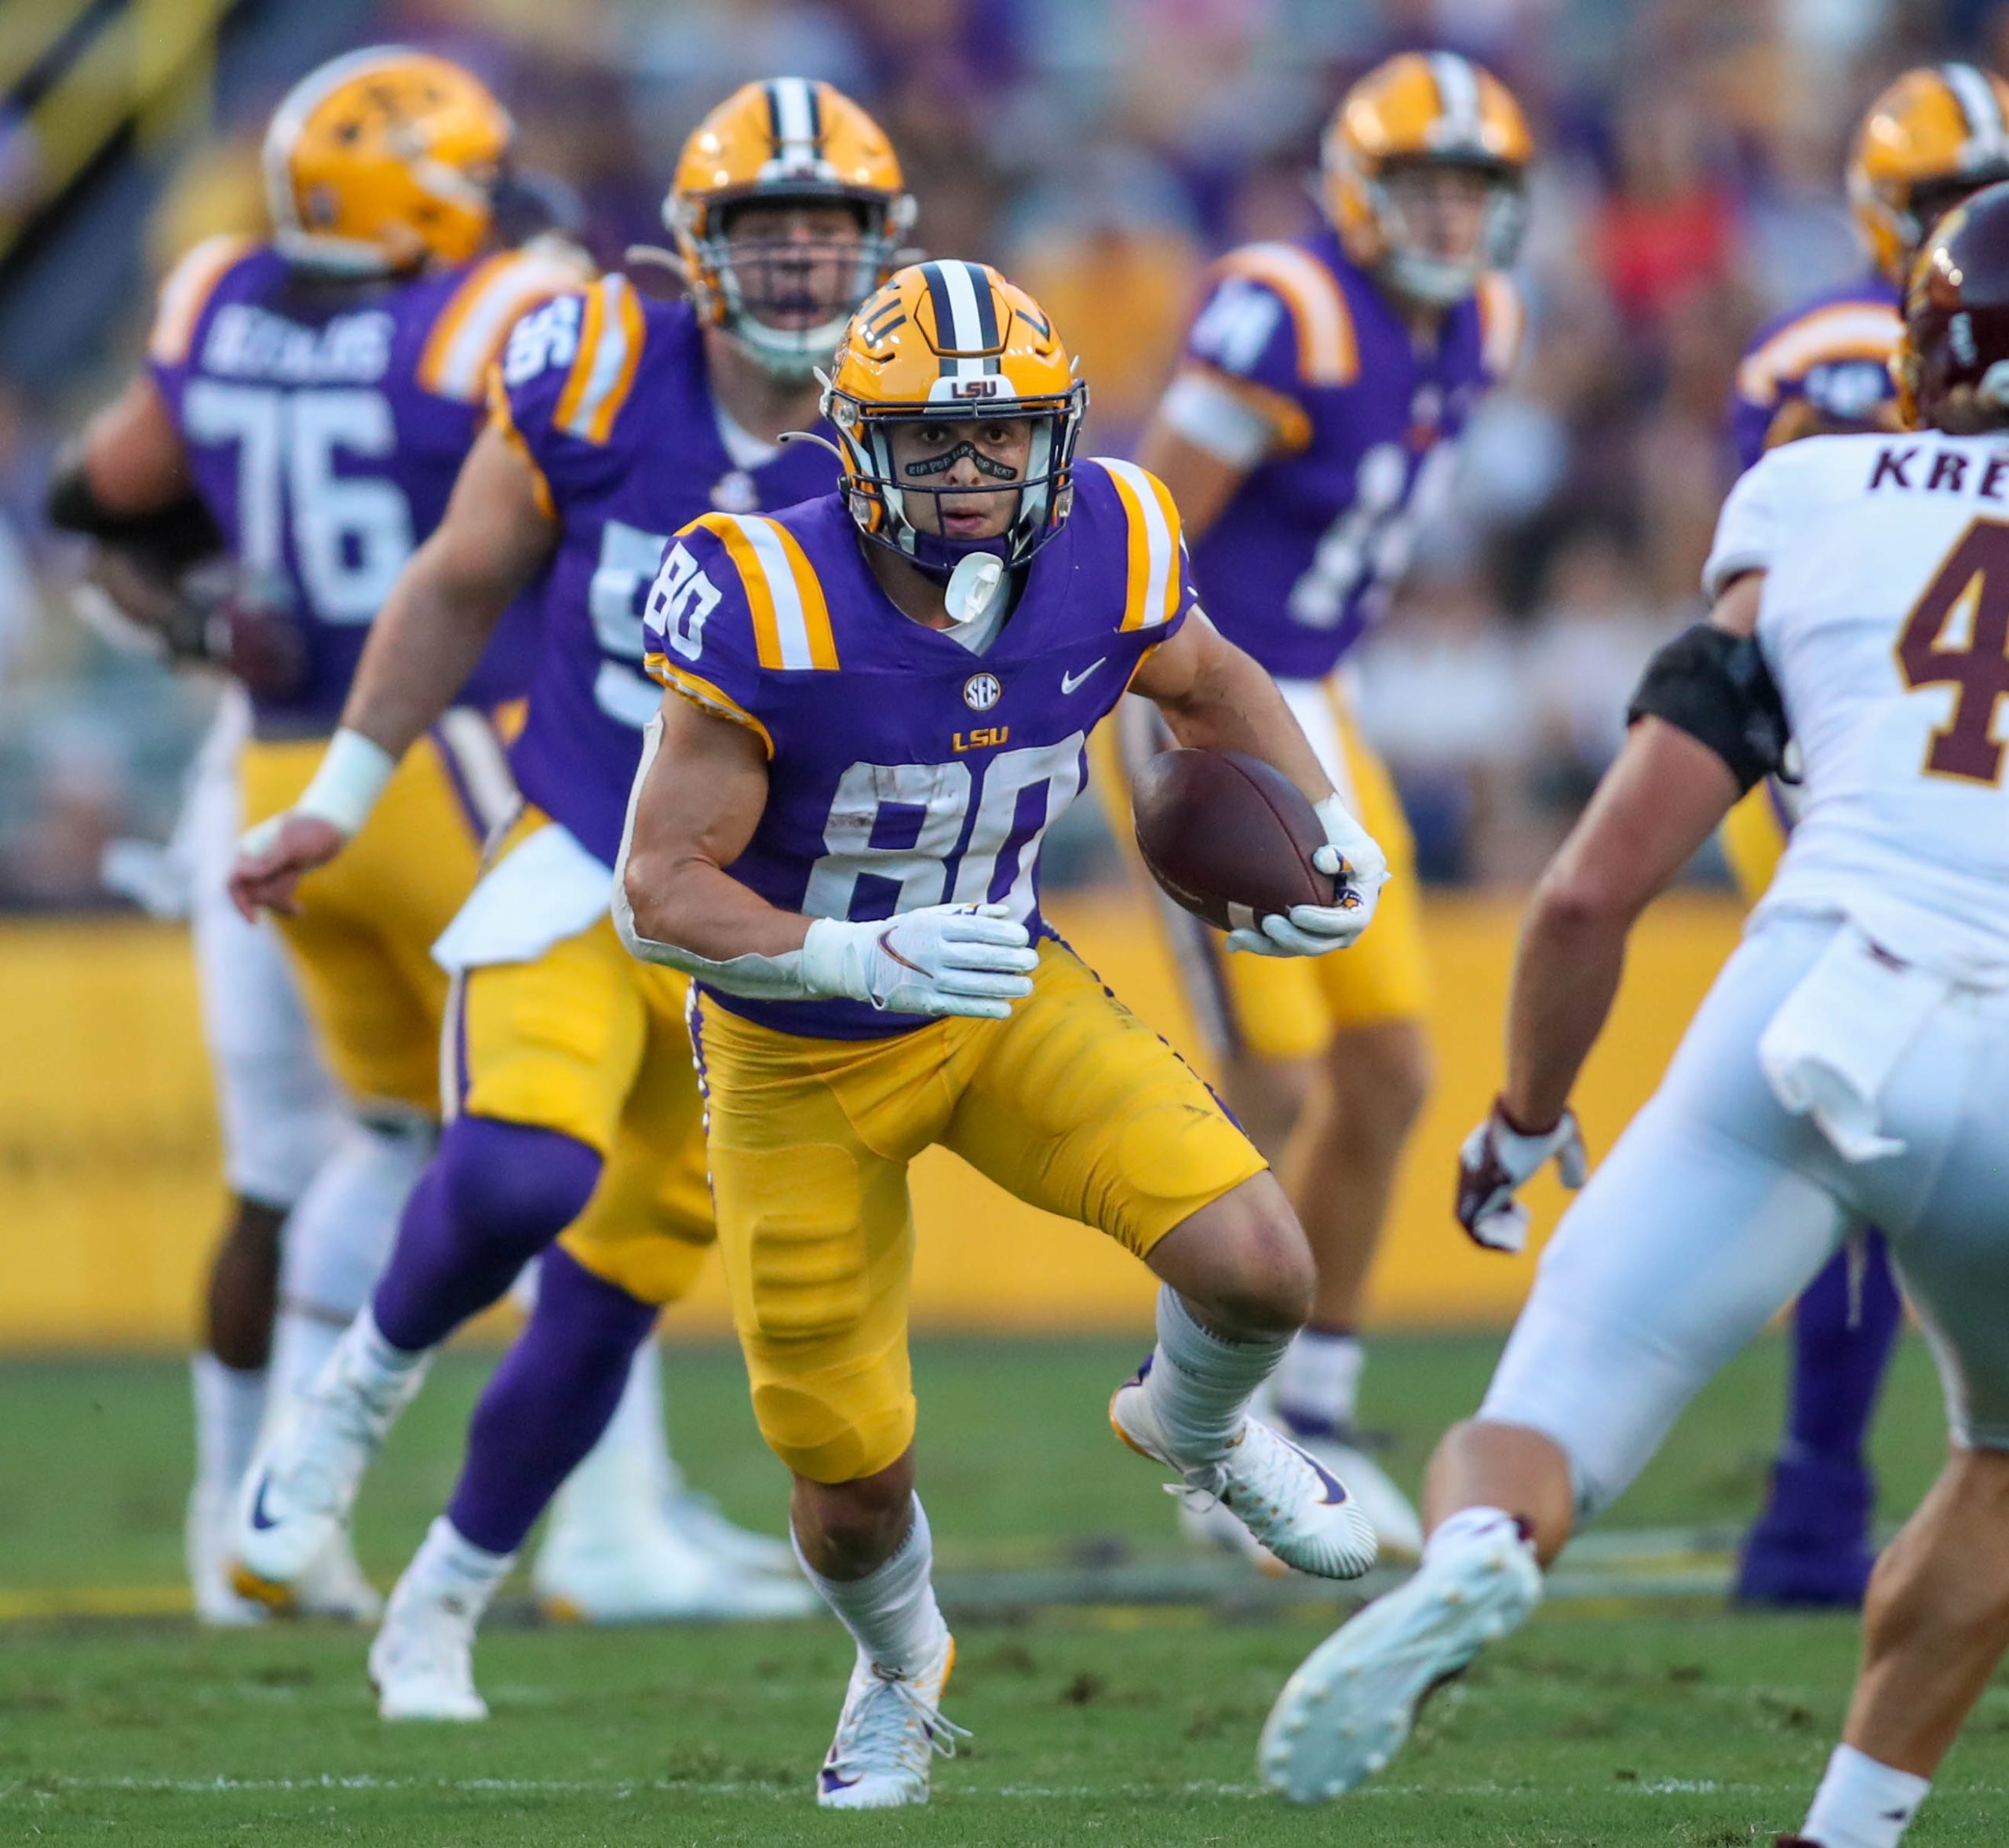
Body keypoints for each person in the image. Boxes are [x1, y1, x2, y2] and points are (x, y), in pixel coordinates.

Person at [1260, 187, 2009, 1848]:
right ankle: (1849, 1826)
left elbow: (1592, 888)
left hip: (1822, 991)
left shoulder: (1812, 493)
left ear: (1920, 356)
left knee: (1542, 1415)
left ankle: (1477, 1554)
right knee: (1999, 1466)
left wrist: (1525, 1116)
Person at [615, 257, 1385, 1809]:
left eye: (1003, 435)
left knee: (1259, 1266)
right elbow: (657, 890)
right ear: (859, 446)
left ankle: (1194, 1428)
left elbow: (1210, 682)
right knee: (846, 1484)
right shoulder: (764, 592)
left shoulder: (1117, 534)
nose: (972, 470)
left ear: (1057, 433)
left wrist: (1330, 826)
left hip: (993, 985)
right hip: (795, 1045)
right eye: (933, 439)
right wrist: (850, 950)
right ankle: (900, 1667)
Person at [225, 78, 914, 1713]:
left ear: (880, 243)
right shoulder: (595, 361)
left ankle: (439, 1606)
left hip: (770, 927)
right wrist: (338, 797)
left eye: (827, 229)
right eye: (766, 227)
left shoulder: (925, 423)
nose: (801, 261)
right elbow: (458, 579)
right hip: (585, 849)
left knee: (610, 1297)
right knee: (520, 1169)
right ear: (697, 243)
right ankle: (351, 1395)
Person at [46, 44, 589, 1622]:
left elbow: (93, 497)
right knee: (545, 1129)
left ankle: (241, 1518)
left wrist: (195, 606)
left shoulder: (215, 298)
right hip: (440, 758)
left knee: (302, 1166)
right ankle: (599, 1521)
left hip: (266, 775)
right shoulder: (492, 314)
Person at [1121, 51, 1533, 1556]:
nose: (1446, 215)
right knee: (1278, 1075)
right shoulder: (1284, 311)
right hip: (1206, 691)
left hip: (1328, 703)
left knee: (1393, 1067)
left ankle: (1327, 1402)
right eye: (1420, 184)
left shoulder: (1489, 318)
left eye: (1470, 188)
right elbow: (1144, 534)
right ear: (1355, 192)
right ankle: (1202, 1422)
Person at [1721, 61, 2009, 1608]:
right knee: (1865, 1130)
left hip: (1951, 781)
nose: (1979, 218)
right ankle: (1811, 1491)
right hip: (1852, 786)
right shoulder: (1835, 353)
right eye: (1946, 197)